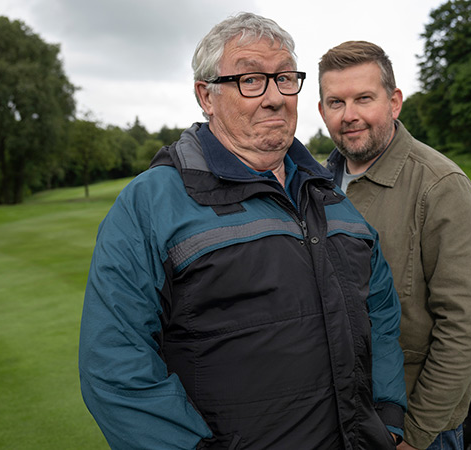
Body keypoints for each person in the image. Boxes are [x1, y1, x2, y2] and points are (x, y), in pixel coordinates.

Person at [78, 15, 407, 450]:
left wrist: (387, 418)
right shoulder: (151, 203)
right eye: (251, 79)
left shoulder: (330, 196)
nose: (274, 98)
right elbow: (114, 364)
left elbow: (381, 315)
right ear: (206, 96)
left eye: (286, 78)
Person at [318, 41, 471, 450]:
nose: (350, 115)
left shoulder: (440, 185)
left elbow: (465, 326)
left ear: (394, 102)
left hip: (414, 429)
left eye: (364, 98)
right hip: (334, 419)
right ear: (322, 110)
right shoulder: (314, 184)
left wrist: (414, 436)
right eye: (335, 102)